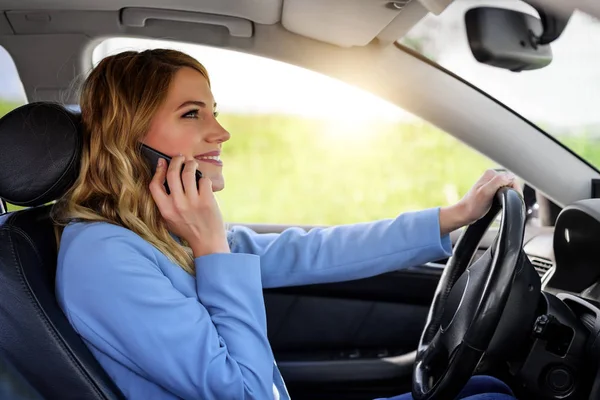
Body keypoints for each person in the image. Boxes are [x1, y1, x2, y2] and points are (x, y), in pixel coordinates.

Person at [53, 49, 520, 400]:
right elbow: (248, 392)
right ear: (129, 136)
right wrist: (213, 248)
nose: (221, 132)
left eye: (214, 112)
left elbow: (315, 249)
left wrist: (453, 217)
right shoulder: (103, 258)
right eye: (192, 113)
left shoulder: (160, 234)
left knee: (484, 386)